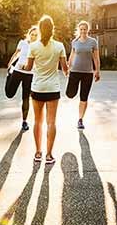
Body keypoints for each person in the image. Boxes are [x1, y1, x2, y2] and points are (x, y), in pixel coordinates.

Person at [24, 14, 69, 165]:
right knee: (51, 122)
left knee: (37, 121)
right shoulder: (59, 46)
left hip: (37, 87)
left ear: (40, 29)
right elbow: (65, 69)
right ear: (52, 29)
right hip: (53, 88)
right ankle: (49, 155)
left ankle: (38, 153)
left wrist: (23, 65)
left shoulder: (33, 46)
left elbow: (28, 68)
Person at [66, 20, 100, 130]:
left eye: (85, 29)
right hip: (75, 71)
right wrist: (67, 67)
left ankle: (80, 119)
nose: (83, 31)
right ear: (79, 30)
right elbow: (72, 55)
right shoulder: (75, 41)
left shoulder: (93, 42)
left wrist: (97, 71)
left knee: (84, 97)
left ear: (88, 30)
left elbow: (96, 57)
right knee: (70, 94)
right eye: (81, 29)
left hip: (87, 73)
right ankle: (73, 93)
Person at [5, 25, 38, 132]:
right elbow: (16, 54)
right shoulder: (23, 43)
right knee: (9, 94)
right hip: (17, 71)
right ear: (29, 34)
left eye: (36, 35)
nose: (33, 37)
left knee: (26, 98)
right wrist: (10, 64)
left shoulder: (39, 46)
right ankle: (8, 76)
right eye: (32, 34)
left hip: (29, 74)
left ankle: (24, 121)